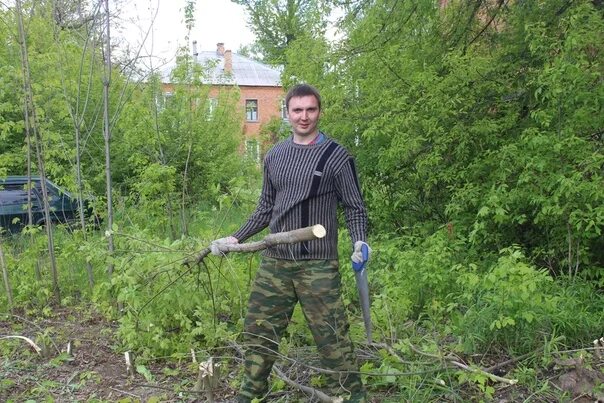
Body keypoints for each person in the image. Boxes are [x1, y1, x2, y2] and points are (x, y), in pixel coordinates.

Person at [211, 83, 371, 402]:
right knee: (258, 334)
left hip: (318, 266)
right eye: (297, 110)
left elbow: (355, 206)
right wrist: (235, 237)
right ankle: (250, 394)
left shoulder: (337, 157)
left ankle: (352, 397)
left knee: (333, 343)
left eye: (310, 109)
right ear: (287, 113)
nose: (304, 116)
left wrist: (359, 242)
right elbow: (265, 208)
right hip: (276, 263)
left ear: (319, 112)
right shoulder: (274, 156)